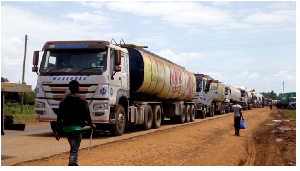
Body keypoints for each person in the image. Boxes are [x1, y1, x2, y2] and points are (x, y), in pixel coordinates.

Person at [54, 80, 96, 166]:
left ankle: (74, 163)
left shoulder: (63, 101)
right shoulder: (83, 101)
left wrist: (57, 131)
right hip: (77, 129)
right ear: (78, 88)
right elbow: (87, 116)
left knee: (73, 147)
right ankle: (72, 163)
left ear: (69, 89)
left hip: (67, 129)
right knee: (74, 148)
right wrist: (92, 125)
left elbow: (59, 118)